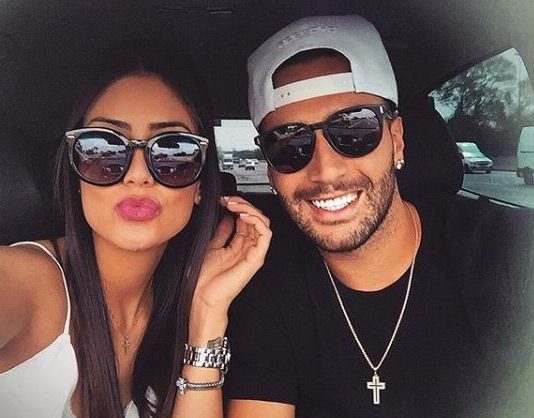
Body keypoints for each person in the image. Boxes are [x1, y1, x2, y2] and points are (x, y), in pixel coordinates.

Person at [224, 15, 534, 417]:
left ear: (397, 139)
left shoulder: (510, 253)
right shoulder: (268, 289)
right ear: (270, 170)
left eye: (354, 130)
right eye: (289, 144)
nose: (325, 171)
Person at [0, 40, 271, 417]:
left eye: (173, 152)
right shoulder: (25, 281)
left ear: (200, 186)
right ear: (76, 173)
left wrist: (208, 312)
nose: (138, 174)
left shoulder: (174, 315)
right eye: (103, 149)